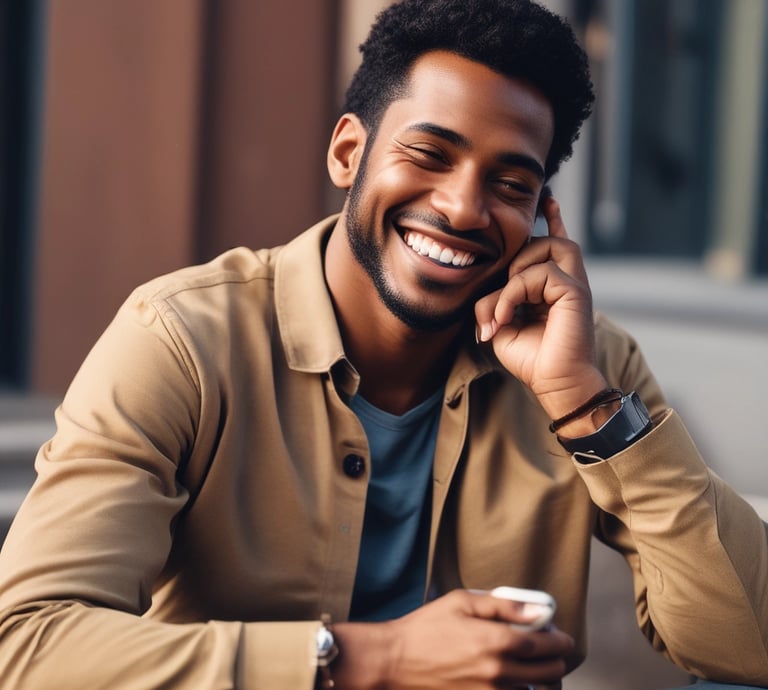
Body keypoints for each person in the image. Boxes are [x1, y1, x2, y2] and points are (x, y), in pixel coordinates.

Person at [0, 0, 766, 688]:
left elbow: (750, 648)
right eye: (429, 155)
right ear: (347, 153)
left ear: (541, 214)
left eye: (509, 184)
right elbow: (28, 644)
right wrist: (372, 657)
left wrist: (587, 408)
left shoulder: (589, 365)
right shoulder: (184, 341)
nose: (463, 208)